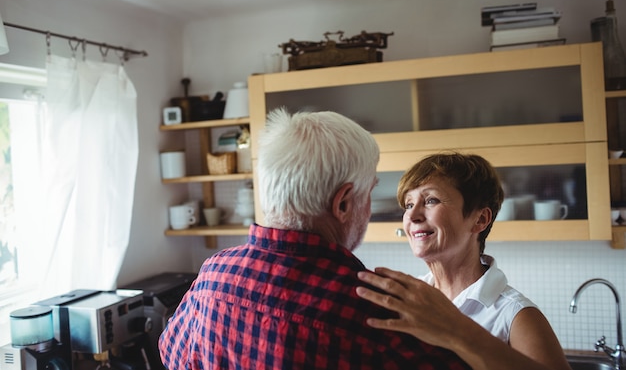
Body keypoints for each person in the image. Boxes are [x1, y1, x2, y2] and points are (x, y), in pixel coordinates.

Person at [158, 109, 471, 370]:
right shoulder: (377, 309)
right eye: (370, 192)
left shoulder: (214, 274)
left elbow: (170, 352)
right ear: (344, 203)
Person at [356, 152, 572, 370]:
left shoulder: (517, 316)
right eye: (409, 204)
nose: (412, 216)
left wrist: (456, 330)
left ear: (480, 220)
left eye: (431, 200)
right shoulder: (408, 298)